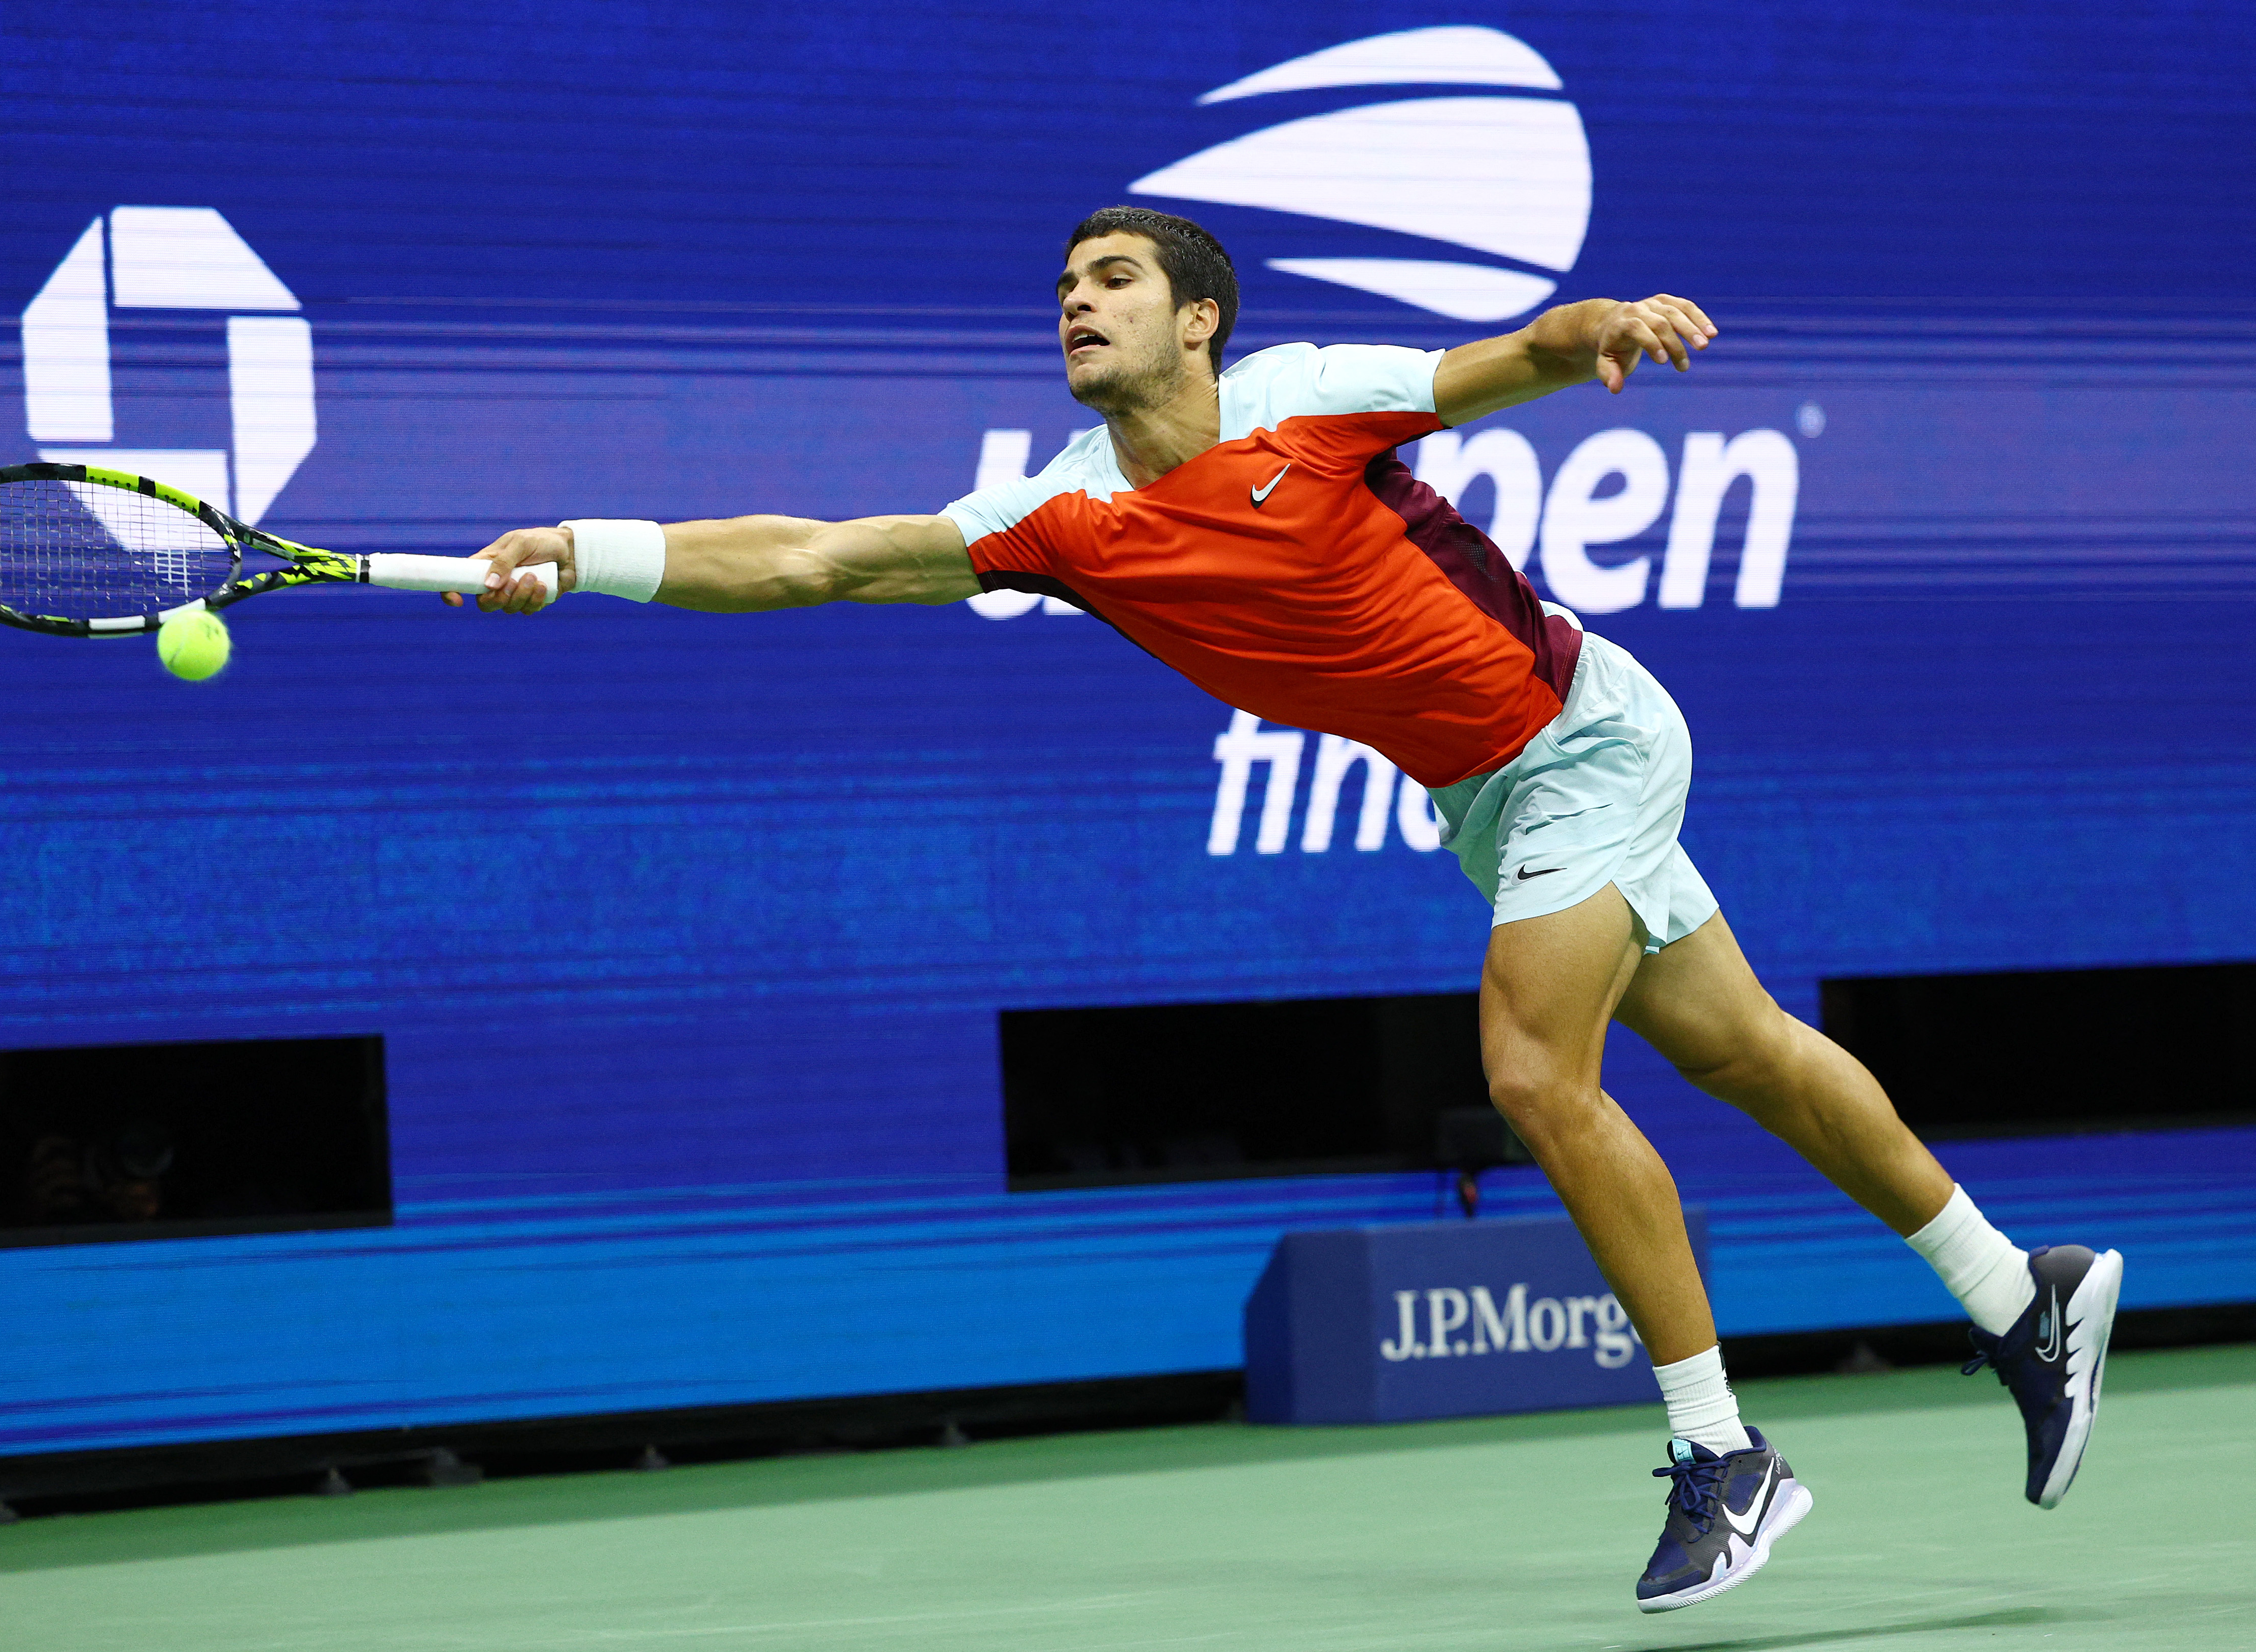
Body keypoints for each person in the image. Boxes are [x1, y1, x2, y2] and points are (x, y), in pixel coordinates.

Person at [452, 205, 2124, 1612]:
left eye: (1111, 283)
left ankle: (1723, 1452)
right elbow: (816, 556)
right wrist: (586, 548)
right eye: (1062, 290)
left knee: (1541, 1078)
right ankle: (2018, 1298)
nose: (1075, 307)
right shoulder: (1065, 519)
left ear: (1201, 323)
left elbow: (1501, 365)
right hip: (1487, 792)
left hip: (1581, 738)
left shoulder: (1304, 400)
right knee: (1748, 1051)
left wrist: (1597, 326)